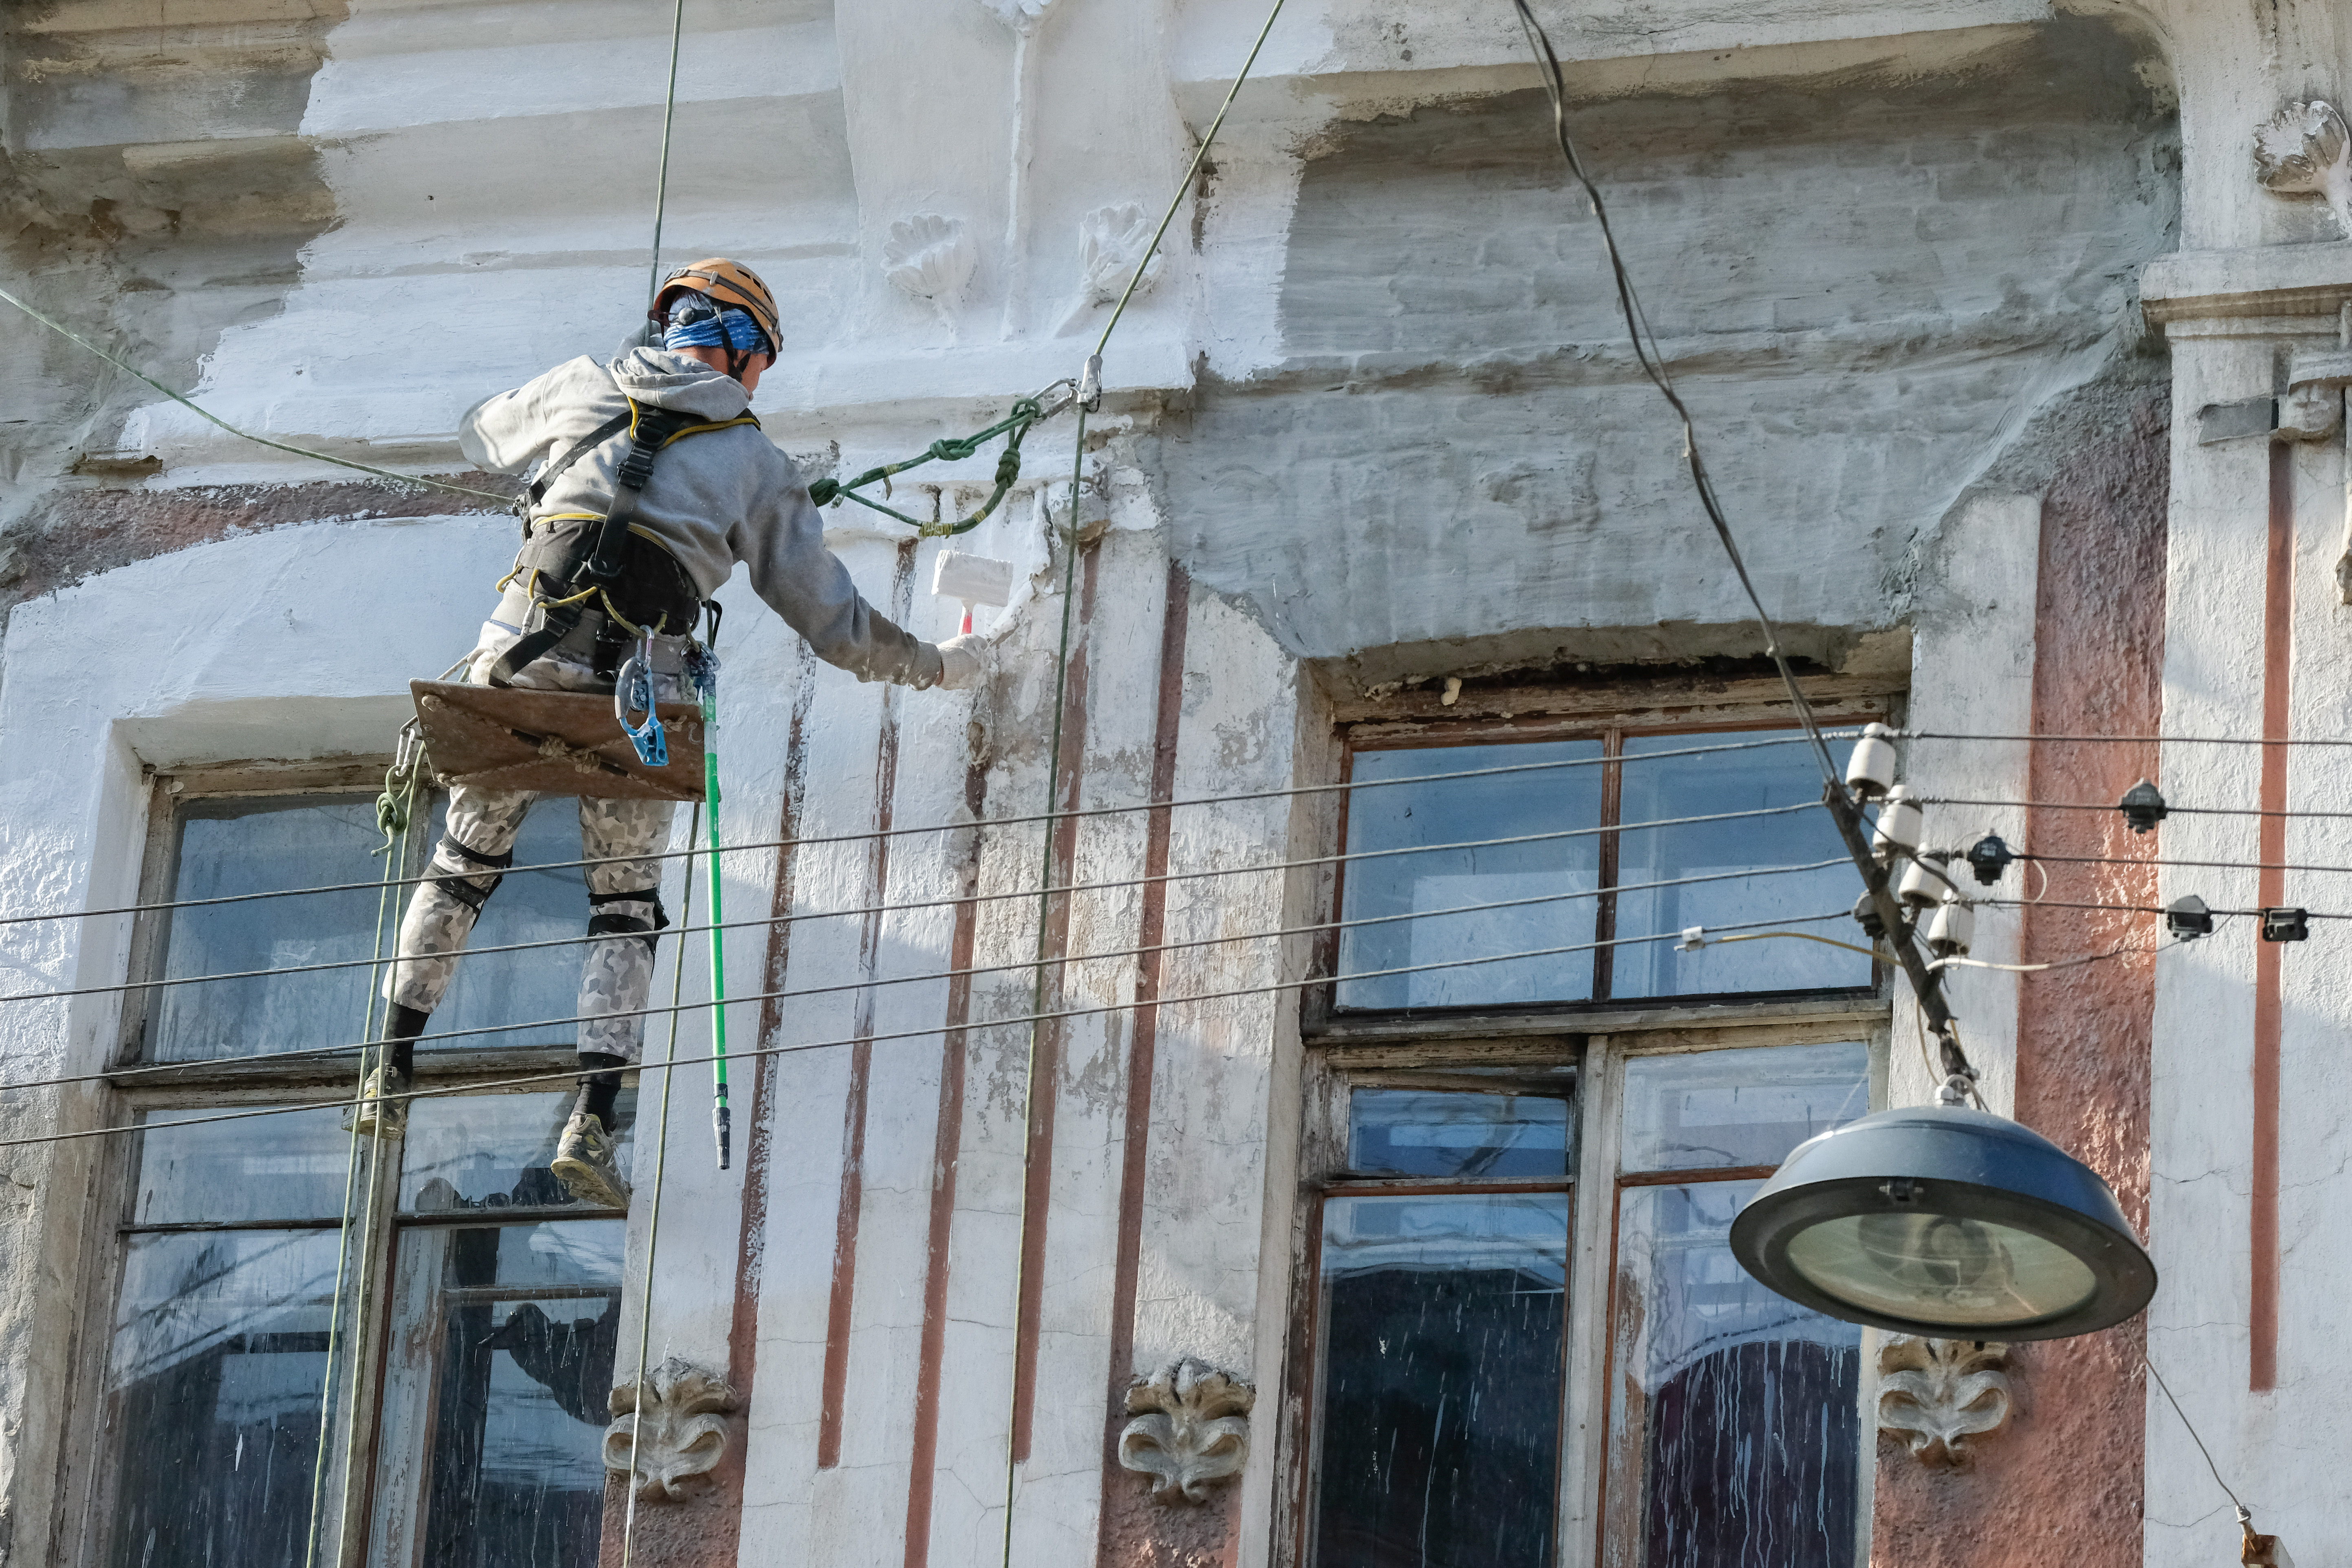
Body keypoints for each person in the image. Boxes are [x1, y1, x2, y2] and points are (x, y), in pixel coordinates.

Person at [354, 259, 982, 1209]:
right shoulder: (759, 465)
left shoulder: (580, 385)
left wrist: (556, 455)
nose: (757, 381)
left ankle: (389, 1067)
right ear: (738, 349)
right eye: (759, 362)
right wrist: (939, 664)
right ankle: (592, 1114)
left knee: (462, 862)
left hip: (520, 661)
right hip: (637, 696)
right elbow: (837, 627)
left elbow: (483, 432)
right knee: (624, 905)